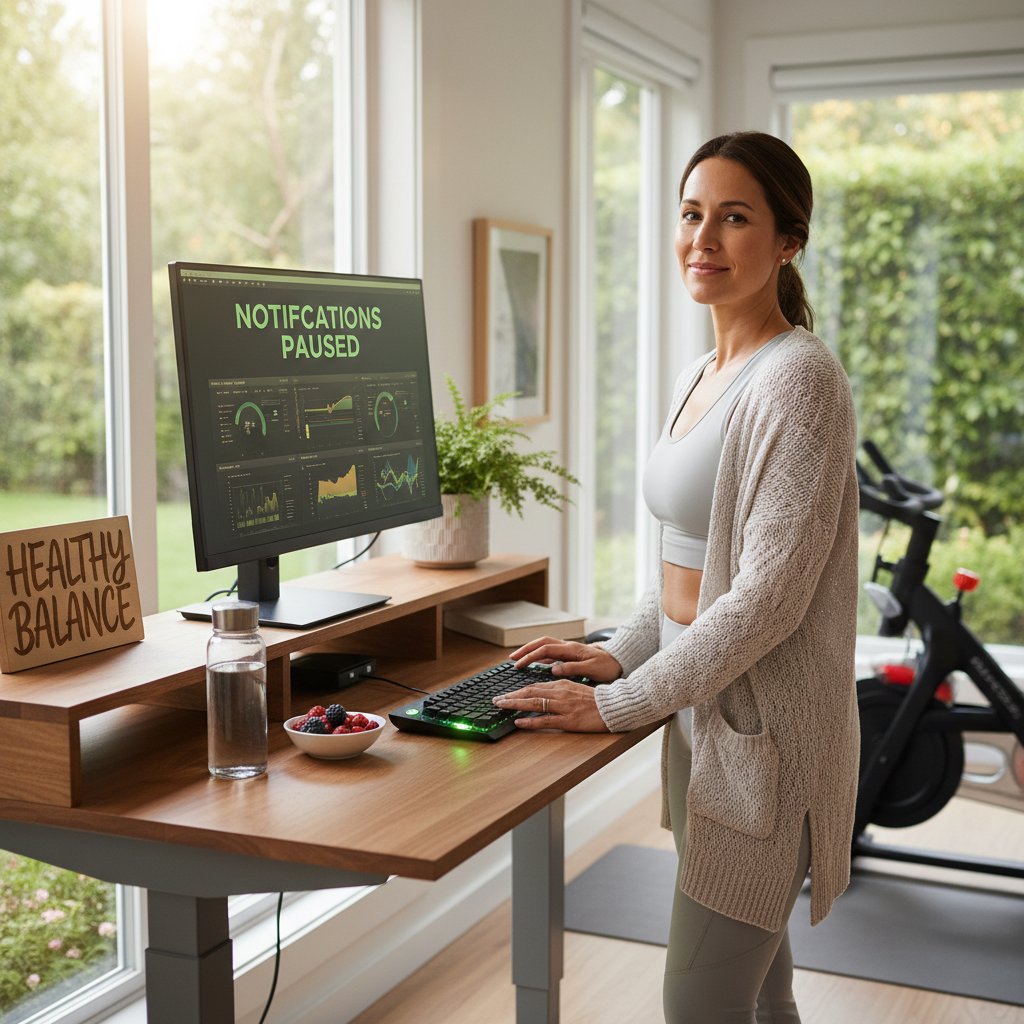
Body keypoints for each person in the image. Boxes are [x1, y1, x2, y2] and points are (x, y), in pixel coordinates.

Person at [493, 131, 861, 1023]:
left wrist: (622, 704)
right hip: (706, 733)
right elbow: (683, 564)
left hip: (764, 745)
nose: (704, 236)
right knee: (761, 995)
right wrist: (620, 654)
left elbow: (765, 599)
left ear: (786, 240)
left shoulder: (800, 381)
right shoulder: (705, 371)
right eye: (693, 213)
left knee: (697, 1006)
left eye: (734, 217)